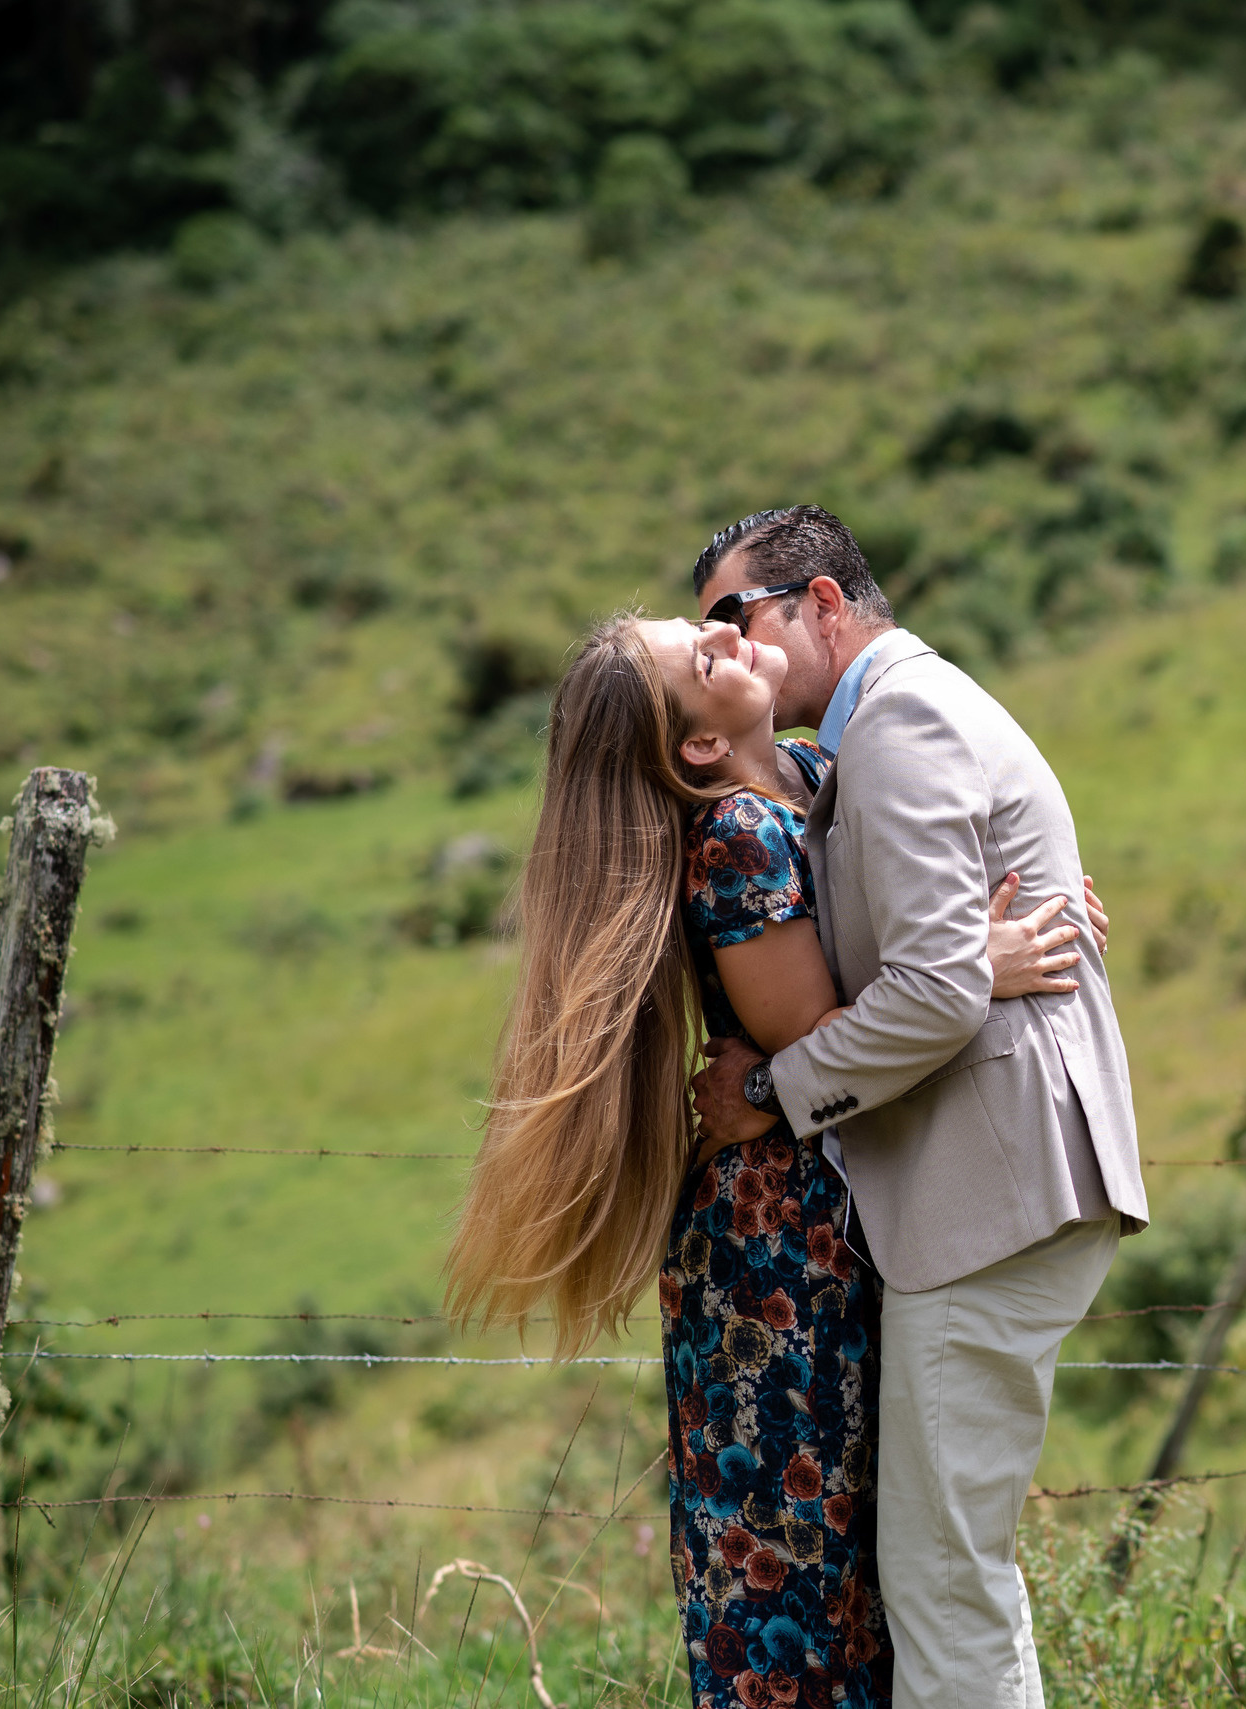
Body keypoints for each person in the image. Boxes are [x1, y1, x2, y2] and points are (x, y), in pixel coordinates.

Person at [444, 609, 1101, 1709]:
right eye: (706, 655)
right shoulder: (741, 831)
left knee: (868, 1559)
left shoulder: (811, 771)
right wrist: (971, 968)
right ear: (700, 743)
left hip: (832, 1207)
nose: (730, 632)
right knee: (795, 1579)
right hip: (776, 1246)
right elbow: (810, 1037)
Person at [685, 506, 1146, 1709]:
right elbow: (940, 961)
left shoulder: (904, 719)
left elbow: (934, 995)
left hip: (989, 1190)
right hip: (982, 1185)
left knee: (944, 1580)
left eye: (737, 617)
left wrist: (769, 1091)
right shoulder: (864, 744)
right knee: (949, 1573)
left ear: (824, 604)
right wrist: (972, 957)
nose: (723, 647)